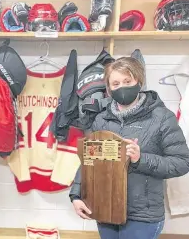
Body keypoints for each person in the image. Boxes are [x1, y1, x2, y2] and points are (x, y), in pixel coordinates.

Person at [69, 57, 189, 239]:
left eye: (127, 81)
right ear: (109, 89)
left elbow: (182, 162)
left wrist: (141, 159)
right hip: (106, 209)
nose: (122, 87)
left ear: (138, 82)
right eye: (115, 83)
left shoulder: (162, 117)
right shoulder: (101, 119)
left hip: (143, 217)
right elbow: (88, 160)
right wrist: (76, 195)